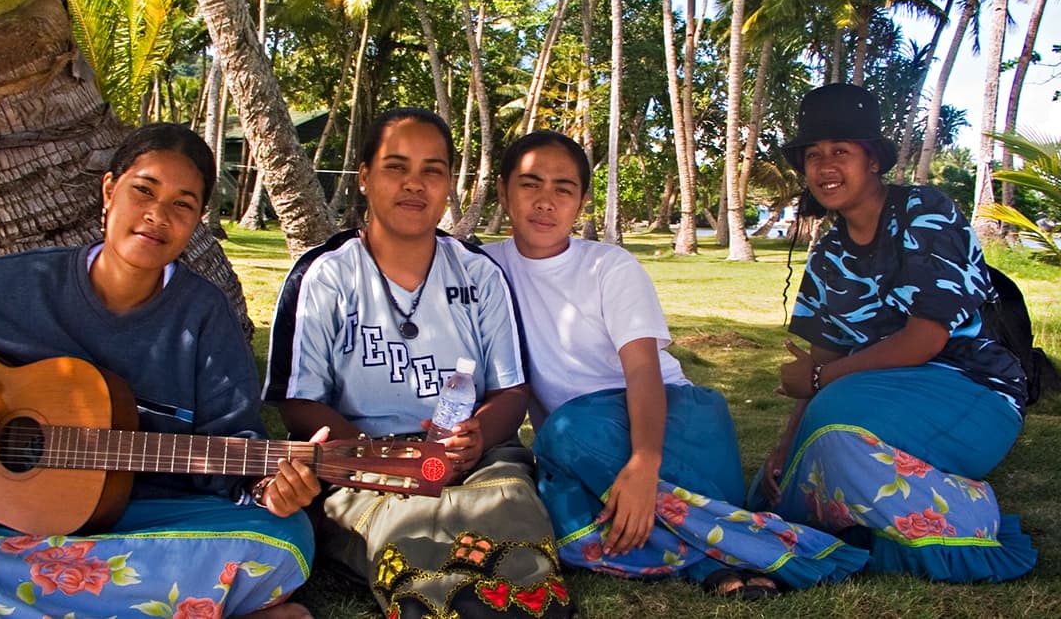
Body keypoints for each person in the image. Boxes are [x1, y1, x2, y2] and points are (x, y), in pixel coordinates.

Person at [0, 123, 323, 618]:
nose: (157, 215)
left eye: (182, 205)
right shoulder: (22, 284)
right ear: (108, 191)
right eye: (143, 189)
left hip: (153, 523)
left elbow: (235, 450)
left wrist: (267, 489)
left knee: (284, 540)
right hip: (18, 526)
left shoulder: (204, 317)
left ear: (196, 221)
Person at [483, 130, 868, 598]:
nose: (546, 201)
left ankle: (767, 550)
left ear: (582, 201)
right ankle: (717, 552)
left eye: (563, 189)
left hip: (674, 424)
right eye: (530, 184)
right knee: (555, 518)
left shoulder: (609, 266)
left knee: (563, 431)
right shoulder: (482, 269)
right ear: (502, 191)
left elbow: (643, 370)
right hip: (584, 453)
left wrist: (645, 464)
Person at [264, 109, 574, 619]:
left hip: (473, 463)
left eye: (432, 170)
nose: (414, 184)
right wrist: (376, 459)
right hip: (360, 466)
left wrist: (477, 434)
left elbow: (510, 391)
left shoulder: (480, 275)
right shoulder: (325, 276)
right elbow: (299, 401)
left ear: (448, 183)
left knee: (512, 524)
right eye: (395, 167)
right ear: (364, 177)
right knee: (409, 544)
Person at [748, 83, 1037, 582]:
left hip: (973, 389)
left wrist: (818, 383)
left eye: (841, 151)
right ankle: (869, 529)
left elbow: (925, 340)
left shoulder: (925, 211)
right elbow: (826, 360)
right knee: (771, 484)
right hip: (866, 400)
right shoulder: (828, 253)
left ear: (874, 160)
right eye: (813, 155)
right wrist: (785, 443)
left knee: (835, 425)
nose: (825, 166)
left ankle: (970, 515)